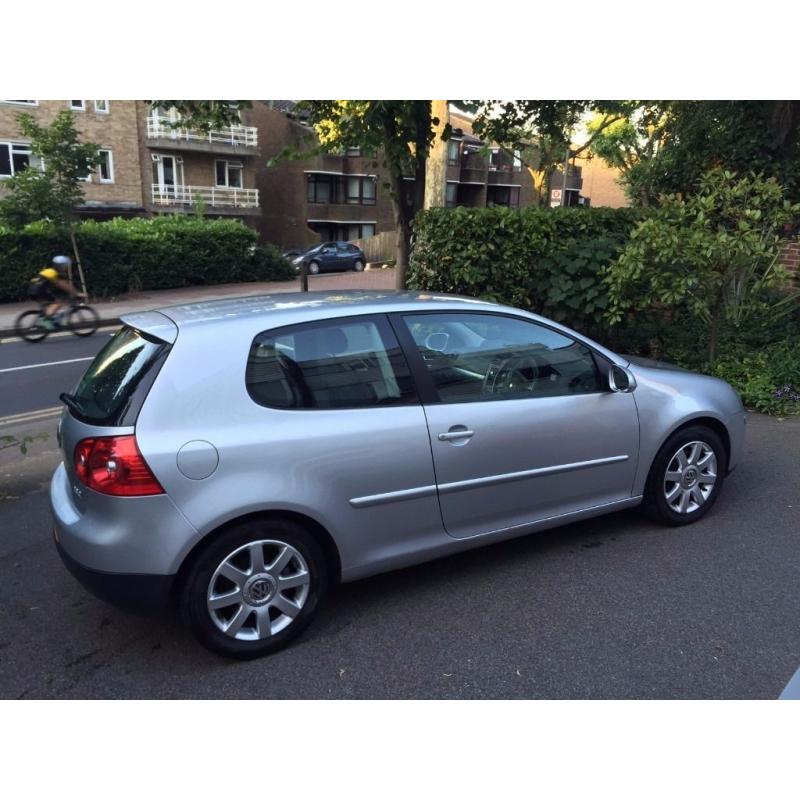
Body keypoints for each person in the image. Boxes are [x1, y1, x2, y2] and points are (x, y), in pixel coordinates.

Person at [29, 255, 85, 329]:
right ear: (60, 266)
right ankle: (45, 321)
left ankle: (47, 320)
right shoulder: (52, 272)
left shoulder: (48, 271)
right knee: (58, 303)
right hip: (39, 290)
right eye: (64, 266)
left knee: (51, 304)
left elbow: (60, 283)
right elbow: (61, 284)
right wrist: (77, 293)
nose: (66, 268)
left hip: (33, 289)